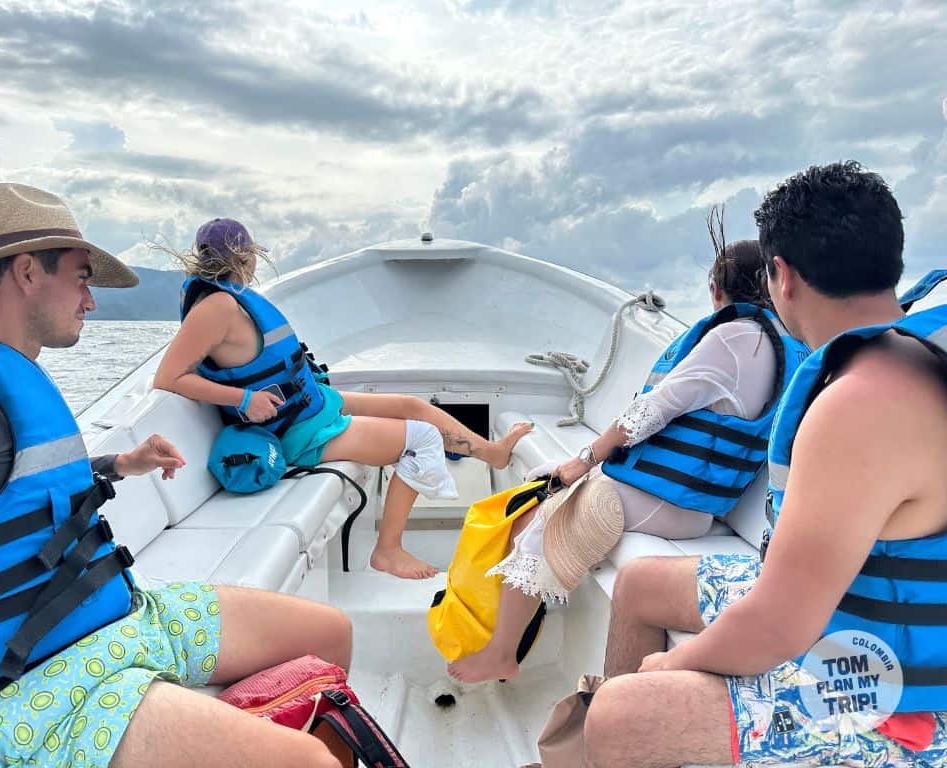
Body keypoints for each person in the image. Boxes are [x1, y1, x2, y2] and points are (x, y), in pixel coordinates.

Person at [0, 183, 353, 768]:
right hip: (32, 691)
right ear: (26, 273)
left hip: (121, 619)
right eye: (80, 277)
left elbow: (1, 488)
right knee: (312, 764)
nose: (91, 302)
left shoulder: (0, 378)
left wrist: (118, 464)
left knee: (331, 636)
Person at [572, 162, 947, 768]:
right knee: (641, 585)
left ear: (783, 276)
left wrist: (672, 665)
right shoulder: (909, 354)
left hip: (899, 691)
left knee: (624, 715)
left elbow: (779, 625)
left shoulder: (861, 402)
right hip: (847, 606)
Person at [449, 212, 809, 683]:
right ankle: (518, 628)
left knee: (543, 518)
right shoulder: (784, 343)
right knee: (544, 498)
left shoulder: (733, 338)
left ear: (717, 291)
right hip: (693, 501)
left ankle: (502, 654)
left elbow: (651, 411)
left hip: (673, 505)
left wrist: (582, 462)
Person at [153, 218, 533, 579]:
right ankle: (388, 550)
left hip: (306, 406)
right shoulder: (216, 307)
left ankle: (492, 452)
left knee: (414, 407)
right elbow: (168, 378)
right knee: (421, 439)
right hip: (295, 432)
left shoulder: (233, 299)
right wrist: (243, 397)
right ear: (247, 257)